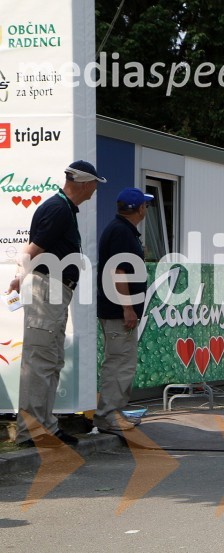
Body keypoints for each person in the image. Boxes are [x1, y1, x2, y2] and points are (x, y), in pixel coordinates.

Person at [7, 160, 107, 447]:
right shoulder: (58, 209)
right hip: (47, 290)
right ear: (85, 183)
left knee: (49, 360)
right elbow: (30, 250)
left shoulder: (62, 208)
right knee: (40, 361)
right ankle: (32, 431)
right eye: (94, 185)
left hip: (53, 290)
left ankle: (45, 426)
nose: (94, 192)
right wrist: (17, 278)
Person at [95, 188, 154, 432]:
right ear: (139, 208)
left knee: (121, 361)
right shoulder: (121, 232)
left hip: (115, 308)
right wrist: (127, 307)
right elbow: (118, 272)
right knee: (119, 363)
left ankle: (113, 411)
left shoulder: (121, 230)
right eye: (145, 205)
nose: (147, 209)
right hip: (118, 310)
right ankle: (108, 415)